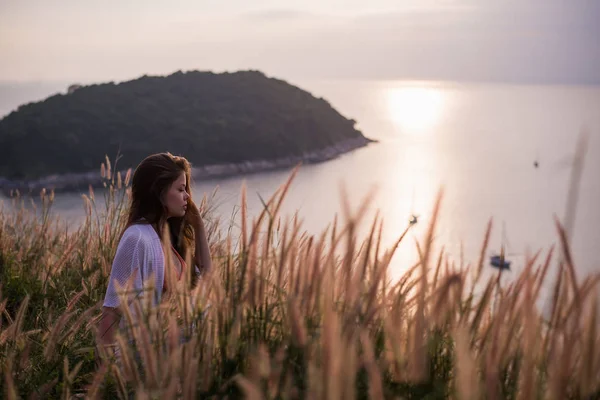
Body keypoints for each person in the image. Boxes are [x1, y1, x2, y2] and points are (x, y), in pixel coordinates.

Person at [97, 152, 212, 348]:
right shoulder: (137, 239)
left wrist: (198, 226)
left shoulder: (166, 238)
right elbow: (113, 311)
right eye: (181, 189)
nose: (188, 197)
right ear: (159, 192)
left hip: (182, 360)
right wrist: (105, 373)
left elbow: (207, 279)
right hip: (150, 362)